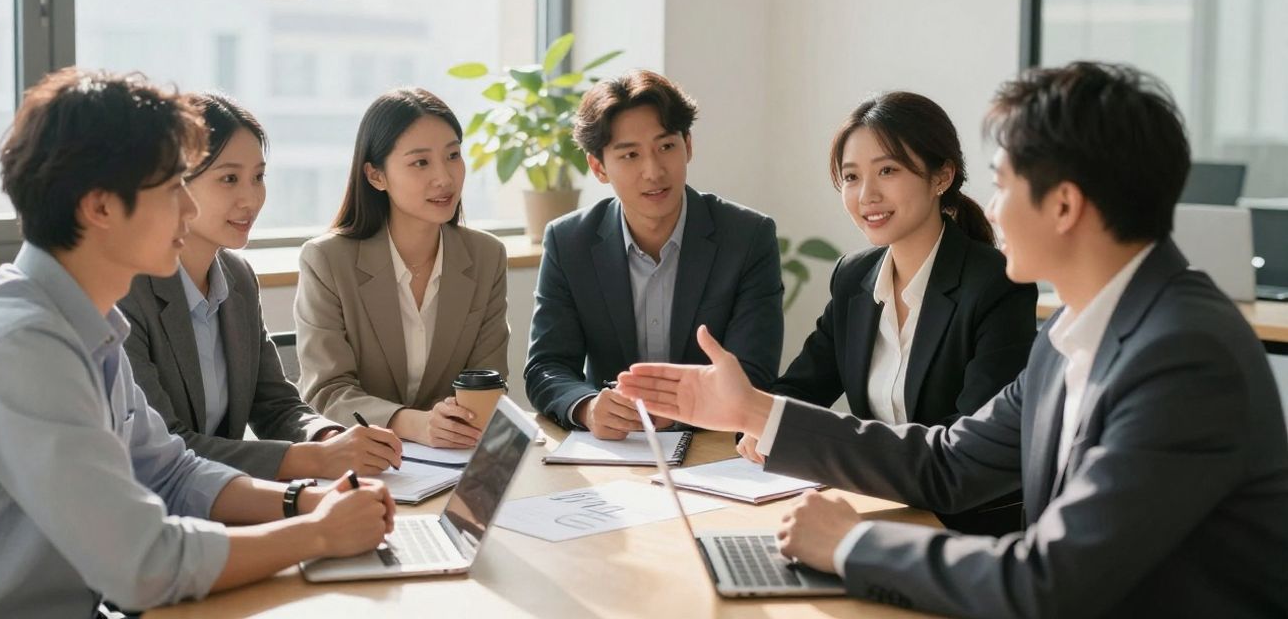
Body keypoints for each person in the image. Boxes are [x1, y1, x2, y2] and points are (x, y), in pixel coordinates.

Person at [618, 62, 1288, 617]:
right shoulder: (1071, 335)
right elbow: (950, 461)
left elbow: (1052, 582)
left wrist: (851, 545)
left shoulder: (1183, 355)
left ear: (1063, 205)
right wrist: (754, 410)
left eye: (1001, 186)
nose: (990, 210)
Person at [0, 69, 395, 619]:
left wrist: (308, 501)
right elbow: (143, 565)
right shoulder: (23, 346)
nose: (189, 211)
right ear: (100, 207)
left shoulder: (85, 324)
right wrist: (317, 534)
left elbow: (172, 471)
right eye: (173, 190)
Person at [738, 92, 1036, 534]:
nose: (867, 195)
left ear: (942, 176)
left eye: (888, 171)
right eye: (851, 177)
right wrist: (753, 414)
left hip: (962, 530)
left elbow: (970, 447)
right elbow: (802, 388)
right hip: (878, 510)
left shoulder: (996, 283)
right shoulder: (853, 277)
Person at [119, 93, 402, 480]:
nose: (251, 198)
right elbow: (165, 447)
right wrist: (315, 460)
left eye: (258, 177)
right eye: (229, 179)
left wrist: (329, 437)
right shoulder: (127, 290)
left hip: (226, 497)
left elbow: (275, 403)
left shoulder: (237, 277)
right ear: (176, 184)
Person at [524, 69, 784, 438]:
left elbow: (754, 373)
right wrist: (588, 407)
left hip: (713, 444)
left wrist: (675, 412)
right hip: (615, 447)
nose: (654, 171)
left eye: (666, 147)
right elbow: (546, 366)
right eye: (630, 155)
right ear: (598, 167)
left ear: (688, 146)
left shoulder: (747, 237)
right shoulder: (569, 242)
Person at [297, 88, 510, 449]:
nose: (444, 178)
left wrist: (457, 425)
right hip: (364, 458)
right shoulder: (327, 260)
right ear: (376, 176)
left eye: (453, 155)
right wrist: (414, 423)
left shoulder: (486, 256)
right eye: (420, 163)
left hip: (455, 456)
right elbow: (326, 392)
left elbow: (489, 384)